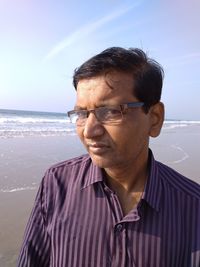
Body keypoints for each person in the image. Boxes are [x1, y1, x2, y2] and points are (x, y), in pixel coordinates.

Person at [17, 47, 200, 267]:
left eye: (111, 111)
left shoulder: (193, 207)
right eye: (82, 114)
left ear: (154, 117)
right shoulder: (56, 184)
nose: (89, 131)